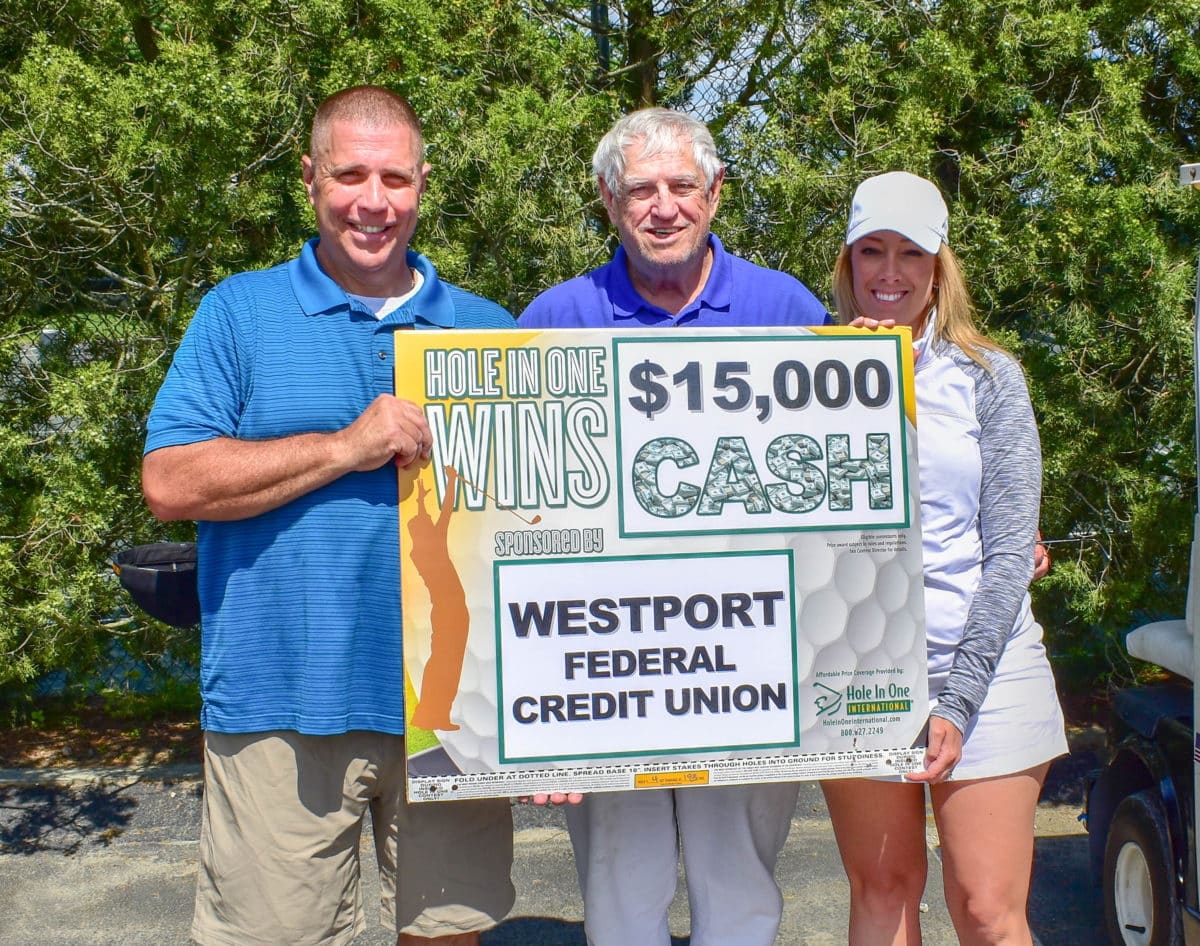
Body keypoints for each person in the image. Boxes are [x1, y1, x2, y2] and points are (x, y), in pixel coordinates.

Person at [141, 85, 516, 946]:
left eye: (394, 178)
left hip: (448, 715)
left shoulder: (487, 332)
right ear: (309, 179)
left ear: (424, 184)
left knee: (449, 932)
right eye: (350, 175)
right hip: (280, 707)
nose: (373, 202)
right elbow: (169, 481)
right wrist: (345, 447)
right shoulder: (239, 313)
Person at [520, 107, 831, 946]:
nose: (663, 207)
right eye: (641, 189)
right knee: (622, 893)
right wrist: (525, 717)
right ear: (608, 200)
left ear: (716, 193)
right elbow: (510, 517)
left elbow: (851, 491)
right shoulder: (555, 319)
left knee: (741, 892)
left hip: (752, 667)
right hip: (605, 671)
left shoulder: (785, 308)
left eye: (682, 186)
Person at [821, 170, 1068, 946]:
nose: (889, 274)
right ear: (847, 262)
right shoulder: (800, 374)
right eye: (871, 252)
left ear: (938, 269)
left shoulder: (991, 378)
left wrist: (957, 700)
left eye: (910, 256)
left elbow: (1007, 555)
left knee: (988, 911)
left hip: (986, 671)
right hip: (857, 672)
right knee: (882, 895)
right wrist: (837, 387)